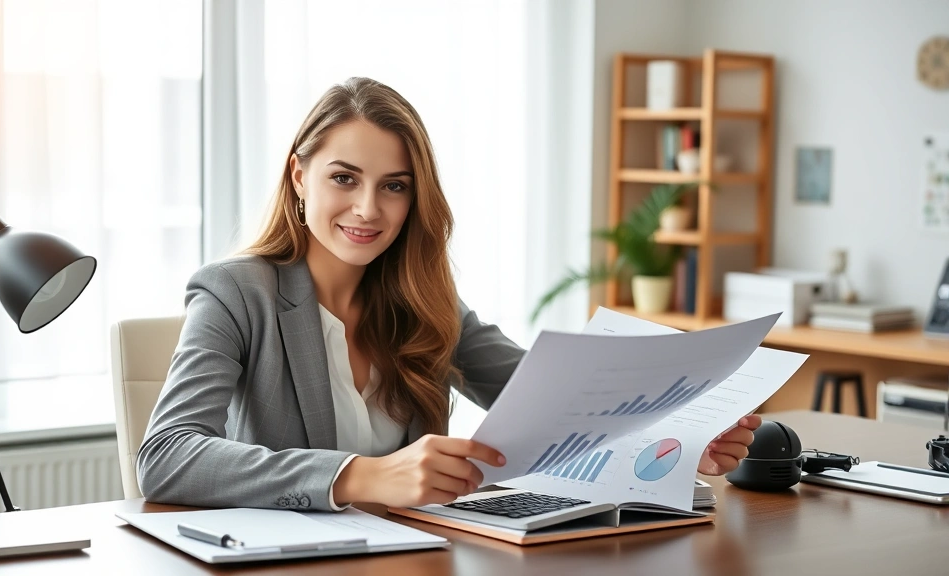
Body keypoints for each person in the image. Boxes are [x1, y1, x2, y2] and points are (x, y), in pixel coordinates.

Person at [137, 77, 761, 512]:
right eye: (344, 178)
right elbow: (166, 457)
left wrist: (680, 436)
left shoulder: (424, 299)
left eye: (394, 186)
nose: (367, 208)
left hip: (413, 559)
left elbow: (559, 405)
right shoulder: (235, 293)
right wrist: (364, 476)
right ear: (300, 176)